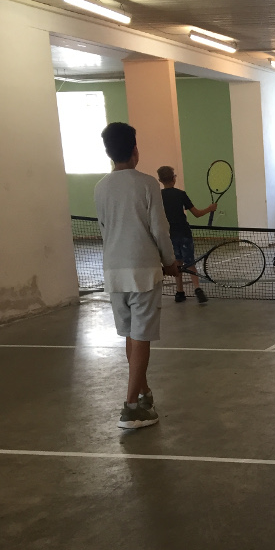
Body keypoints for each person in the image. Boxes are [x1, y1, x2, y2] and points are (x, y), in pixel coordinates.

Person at [94, 122, 180, 430]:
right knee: (140, 337)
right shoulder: (147, 184)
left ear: (109, 153)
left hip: (113, 273)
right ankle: (131, 408)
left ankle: (143, 394)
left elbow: (105, 229)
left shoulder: (100, 187)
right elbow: (160, 228)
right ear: (135, 151)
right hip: (143, 272)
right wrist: (170, 261)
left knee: (132, 336)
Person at [156, 165, 216, 303]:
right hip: (184, 233)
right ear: (174, 178)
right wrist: (210, 208)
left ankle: (179, 292)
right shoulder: (180, 194)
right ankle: (197, 288)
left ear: (160, 180)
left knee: (177, 263)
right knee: (190, 262)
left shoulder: (158, 196)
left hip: (169, 235)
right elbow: (197, 214)